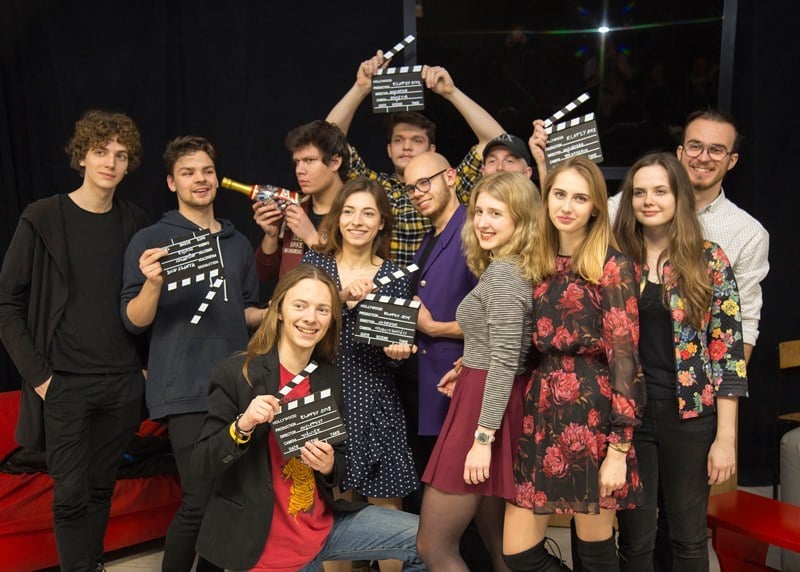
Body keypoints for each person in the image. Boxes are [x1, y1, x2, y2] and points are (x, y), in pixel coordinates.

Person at [191, 264, 424, 571]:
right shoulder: (238, 373)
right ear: (279, 311)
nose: (311, 318)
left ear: (331, 319)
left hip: (323, 526)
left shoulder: (329, 377)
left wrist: (329, 465)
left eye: (322, 310)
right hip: (259, 542)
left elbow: (342, 460)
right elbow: (201, 465)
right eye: (300, 306)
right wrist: (242, 427)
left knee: (429, 540)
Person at [0, 110, 150, 572]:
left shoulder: (135, 221)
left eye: (121, 155)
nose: (111, 162)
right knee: (69, 496)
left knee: (101, 488)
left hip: (122, 383)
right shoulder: (43, 217)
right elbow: (7, 303)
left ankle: (92, 564)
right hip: (63, 382)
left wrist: (143, 370)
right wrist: (41, 379)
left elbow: (148, 301)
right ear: (81, 156)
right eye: (101, 151)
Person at [120, 136, 263, 571]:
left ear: (216, 178)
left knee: (231, 502)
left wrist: (280, 311)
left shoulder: (238, 244)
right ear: (171, 182)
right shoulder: (151, 240)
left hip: (235, 388)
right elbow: (133, 320)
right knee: (200, 501)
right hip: (183, 390)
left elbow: (246, 311)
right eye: (188, 172)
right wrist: (153, 283)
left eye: (206, 171)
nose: (199, 179)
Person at [505, 156, 645, 571]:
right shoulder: (536, 261)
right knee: (518, 554)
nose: (567, 206)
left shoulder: (612, 265)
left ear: (596, 207)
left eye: (580, 198)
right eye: (560, 194)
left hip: (592, 412)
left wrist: (618, 449)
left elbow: (625, 360)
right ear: (546, 199)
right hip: (541, 408)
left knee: (595, 550)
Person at [612, 152, 747, 571]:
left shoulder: (710, 260)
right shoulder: (614, 259)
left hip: (691, 418)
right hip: (629, 418)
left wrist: (726, 439)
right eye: (639, 192)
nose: (648, 201)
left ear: (679, 197)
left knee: (688, 538)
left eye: (660, 191)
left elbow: (728, 353)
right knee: (634, 541)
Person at [416, 171, 542, 571]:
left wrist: (482, 439)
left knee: (433, 545)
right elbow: (504, 345)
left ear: (521, 219)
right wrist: (467, 363)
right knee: (499, 548)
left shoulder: (505, 274)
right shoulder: (506, 266)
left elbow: (505, 360)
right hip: (486, 394)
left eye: (496, 213)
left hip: (484, 409)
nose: (483, 222)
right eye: (480, 212)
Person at [301, 177, 418, 570]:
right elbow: (297, 327)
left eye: (368, 213)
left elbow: (396, 347)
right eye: (349, 211)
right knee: (333, 518)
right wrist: (339, 298)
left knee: (388, 520)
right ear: (337, 217)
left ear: (381, 222)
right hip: (325, 403)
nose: (357, 221)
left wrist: (398, 352)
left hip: (376, 403)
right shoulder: (315, 266)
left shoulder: (397, 276)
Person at [608, 109, 768, 364]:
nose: (703, 157)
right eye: (695, 146)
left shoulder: (748, 233)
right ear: (680, 152)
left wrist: (727, 387)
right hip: (625, 370)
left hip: (693, 377)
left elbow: (745, 322)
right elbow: (576, 231)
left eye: (716, 150)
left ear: (732, 160)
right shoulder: (631, 206)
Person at [327, 52, 504, 266]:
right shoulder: (375, 187)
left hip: (441, 282)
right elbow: (328, 138)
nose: (407, 146)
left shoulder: (449, 183)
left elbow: (497, 141)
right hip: (383, 284)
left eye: (416, 140)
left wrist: (451, 93)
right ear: (389, 149)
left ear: (431, 149)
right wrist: (360, 88)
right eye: (399, 140)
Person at [397, 152, 479, 490]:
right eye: (410, 188)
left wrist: (434, 328)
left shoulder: (473, 233)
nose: (417, 193)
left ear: (450, 177)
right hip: (423, 387)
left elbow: (497, 320)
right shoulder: (430, 237)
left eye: (424, 183)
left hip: (454, 385)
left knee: (454, 496)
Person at [253, 120, 350, 282]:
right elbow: (264, 276)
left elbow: (358, 277)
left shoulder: (359, 209)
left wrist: (311, 237)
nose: (299, 170)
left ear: (335, 162)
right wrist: (271, 235)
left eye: (309, 160)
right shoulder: (293, 205)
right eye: (297, 162)